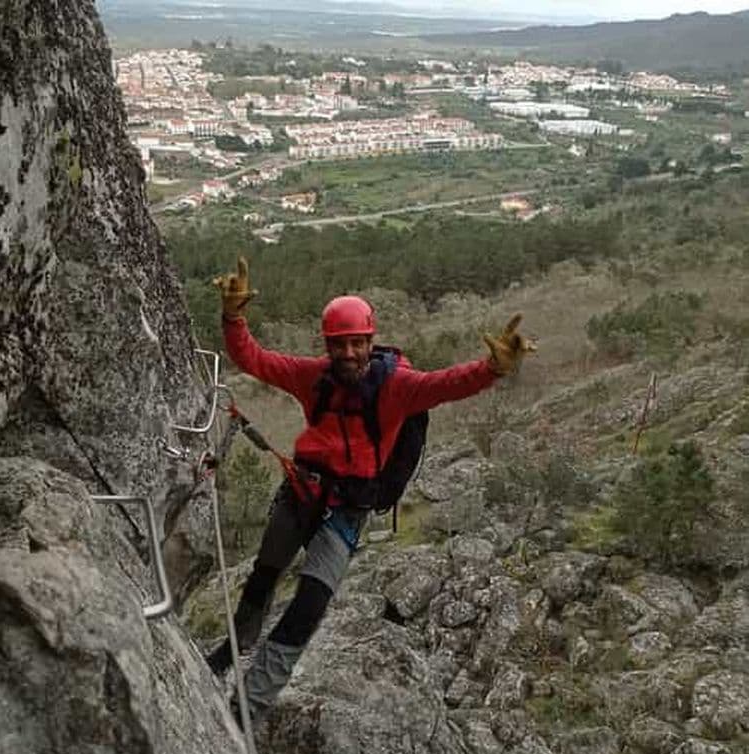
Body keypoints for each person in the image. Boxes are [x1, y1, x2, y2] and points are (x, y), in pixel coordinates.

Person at [206, 256, 535, 722]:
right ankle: (226, 657)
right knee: (262, 580)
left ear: (370, 341)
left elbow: (447, 384)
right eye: (340, 345)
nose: (349, 354)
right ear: (328, 345)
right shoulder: (313, 377)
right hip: (301, 493)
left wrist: (492, 369)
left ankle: (248, 704)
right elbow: (254, 359)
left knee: (308, 607)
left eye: (358, 344)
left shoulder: (396, 387)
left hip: (345, 514)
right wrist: (233, 318)